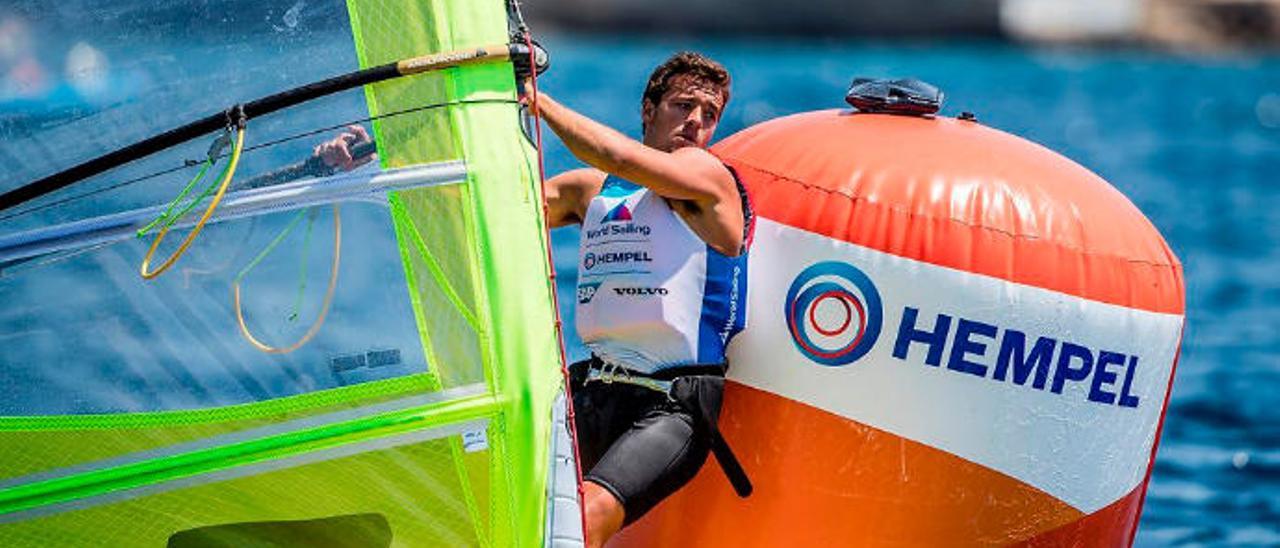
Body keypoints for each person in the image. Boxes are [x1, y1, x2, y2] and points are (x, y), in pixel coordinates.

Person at [526, 51, 751, 546]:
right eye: (682, 106)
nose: (695, 123)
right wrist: (372, 154)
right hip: (596, 391)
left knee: (582, 514)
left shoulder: (710, 183)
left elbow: (621, 156)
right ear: (648, 109)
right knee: (510, 500)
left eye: (708, 115)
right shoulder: (593, 193)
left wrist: (537, 101)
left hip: (673, 407)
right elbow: (486, 204)